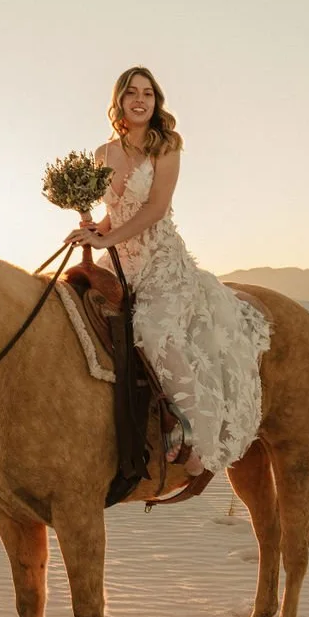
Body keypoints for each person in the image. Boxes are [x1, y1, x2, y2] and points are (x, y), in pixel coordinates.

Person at [65, 66, 271, 472]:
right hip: (119, 258)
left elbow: (155, 208)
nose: (140, 100)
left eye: (148, 93)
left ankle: (191, 430)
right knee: (72, 311)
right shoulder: (102, 154)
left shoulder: (168, 146)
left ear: (156, 102)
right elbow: (113, 214)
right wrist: (93, 231)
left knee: (153, 327)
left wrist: (109, 238)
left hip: (160, 259)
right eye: (132, 93)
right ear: (119, 101)